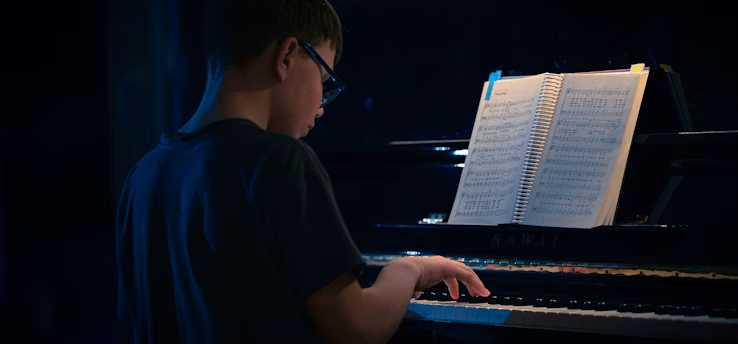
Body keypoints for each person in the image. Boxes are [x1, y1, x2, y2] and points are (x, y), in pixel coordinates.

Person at [114, 0, 490, 343]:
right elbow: (358, 329)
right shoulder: (281, 161)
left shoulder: (142, 175)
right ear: (287, 56)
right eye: (324, 81)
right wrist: (407, 270)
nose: (322, 106)